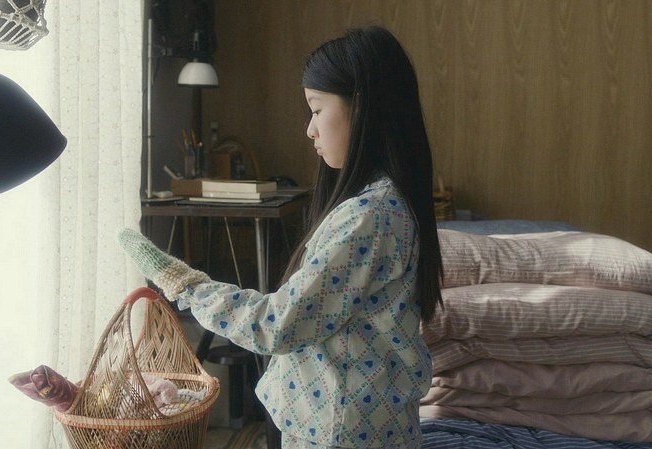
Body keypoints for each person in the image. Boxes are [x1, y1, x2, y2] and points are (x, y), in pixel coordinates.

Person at [118, 25, 443, 448]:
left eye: (317, 109)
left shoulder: (370, 217)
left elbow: (278, 325)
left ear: (362, 107)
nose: (310, 129)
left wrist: (185, 284)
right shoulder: (384, 204)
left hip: (340, 432)